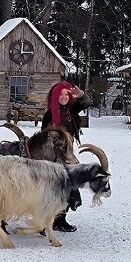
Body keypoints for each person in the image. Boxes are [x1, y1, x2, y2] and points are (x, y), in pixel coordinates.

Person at [41, 77, 90, 233]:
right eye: (60, 95)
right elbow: (43, 138)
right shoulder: (49, 115)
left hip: (68, 154)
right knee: (53, 188)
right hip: (53, 156)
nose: (64, 97)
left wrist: (80, 94)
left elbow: (86, 102)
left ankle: (60, 220)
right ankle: (45, 220)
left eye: (66, 95)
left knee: (69, 187)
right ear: (55, 96)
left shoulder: (72, 110)